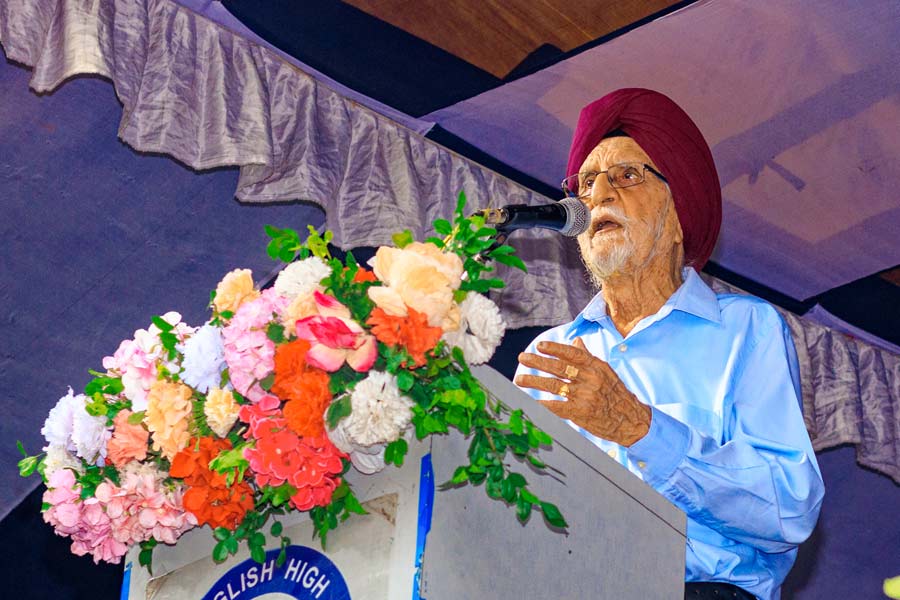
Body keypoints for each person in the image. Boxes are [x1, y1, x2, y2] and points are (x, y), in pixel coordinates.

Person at [514, 88, 824, 600]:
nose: (599, 196)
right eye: (586, 183)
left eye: (627, 176)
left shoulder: (744, 330)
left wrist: (639, 428)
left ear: (680, 215)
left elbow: (789, 510)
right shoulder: (552, 352)